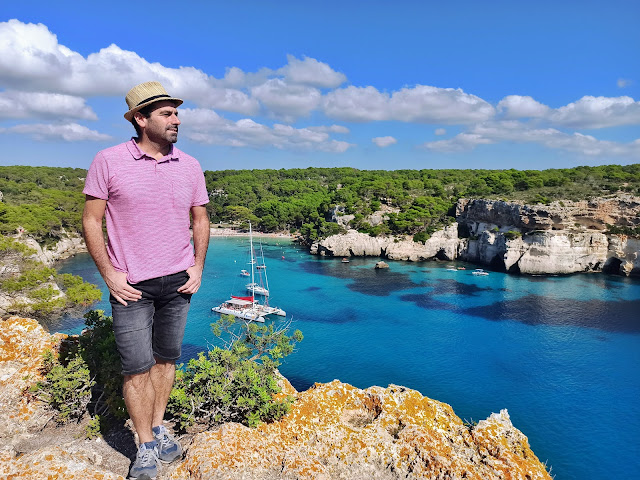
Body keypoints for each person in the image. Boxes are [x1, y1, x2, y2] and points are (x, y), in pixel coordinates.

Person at [82, 81, 210, 479]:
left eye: (176, 112)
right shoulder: (108, 160)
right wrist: (110, 274)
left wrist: (198, 266)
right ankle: (146, 447)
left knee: (166, 360)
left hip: (178, 282)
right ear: (140, 118)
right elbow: (91, 220)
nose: (177, 119)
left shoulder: (189, 164)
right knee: (136, 368)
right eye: (167, 113)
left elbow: (200, 218)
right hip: (131, 286)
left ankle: (158, 427)